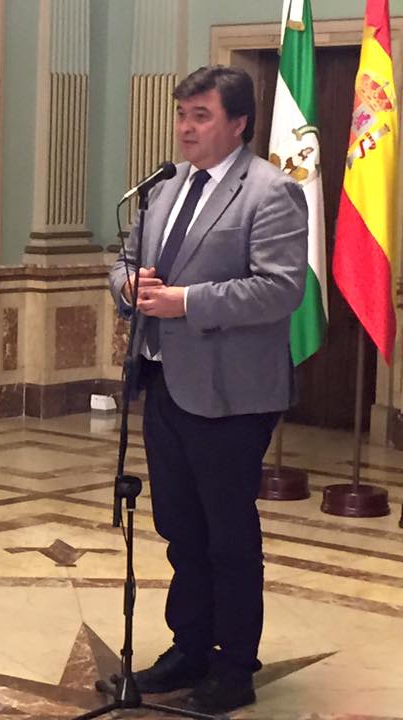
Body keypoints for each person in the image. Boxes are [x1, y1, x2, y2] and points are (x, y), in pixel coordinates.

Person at [108, 65, 308, 714]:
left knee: (227, 533)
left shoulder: (271, 191)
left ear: (239, 123)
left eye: (201, 116)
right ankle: (189, 646)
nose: (186, 128)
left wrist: (187, 302)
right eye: (182, 114)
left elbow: (280, 289)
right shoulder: (167, 186)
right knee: (180, 527)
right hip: (164, 381)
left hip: (232, 394)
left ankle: (234, 665)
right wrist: (128, 286)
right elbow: (125, 260)